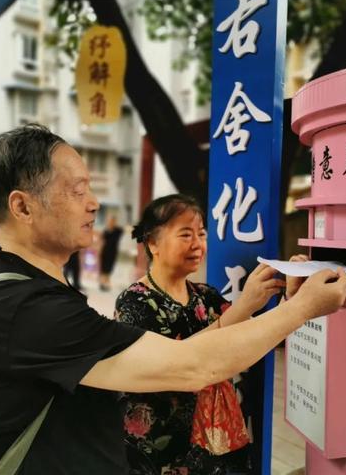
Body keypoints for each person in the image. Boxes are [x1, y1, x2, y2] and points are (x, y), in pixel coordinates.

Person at [0, 124, 346, 474]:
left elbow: (196, 354)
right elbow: (193, 366)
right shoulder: (26, 308)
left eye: (90, 188)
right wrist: (302, 309)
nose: (93, 203)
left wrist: (271, 306)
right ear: (22, 206)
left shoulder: (25, 293)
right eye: (77, 190)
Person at [115, 194, 304, 474]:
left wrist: (293, 298)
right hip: (164, 450)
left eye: (201, 234)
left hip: (218, 445)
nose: (197, 244)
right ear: (152, 243)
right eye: (185, 234)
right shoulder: (134, 302)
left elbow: (252, 340)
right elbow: (168, 364)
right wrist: (243, 306)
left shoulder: (207, 296)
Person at [99, 215, 123, 291]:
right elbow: (101, 241)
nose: (110, 222)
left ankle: (106, 283)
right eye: (109, 221)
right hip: (105, 251)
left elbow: (125, 229)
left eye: (112, 221)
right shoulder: (105, 231)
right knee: (104, 268)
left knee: (109, 268)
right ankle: (103, 283)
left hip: (113, 252)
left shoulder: (118, 231)